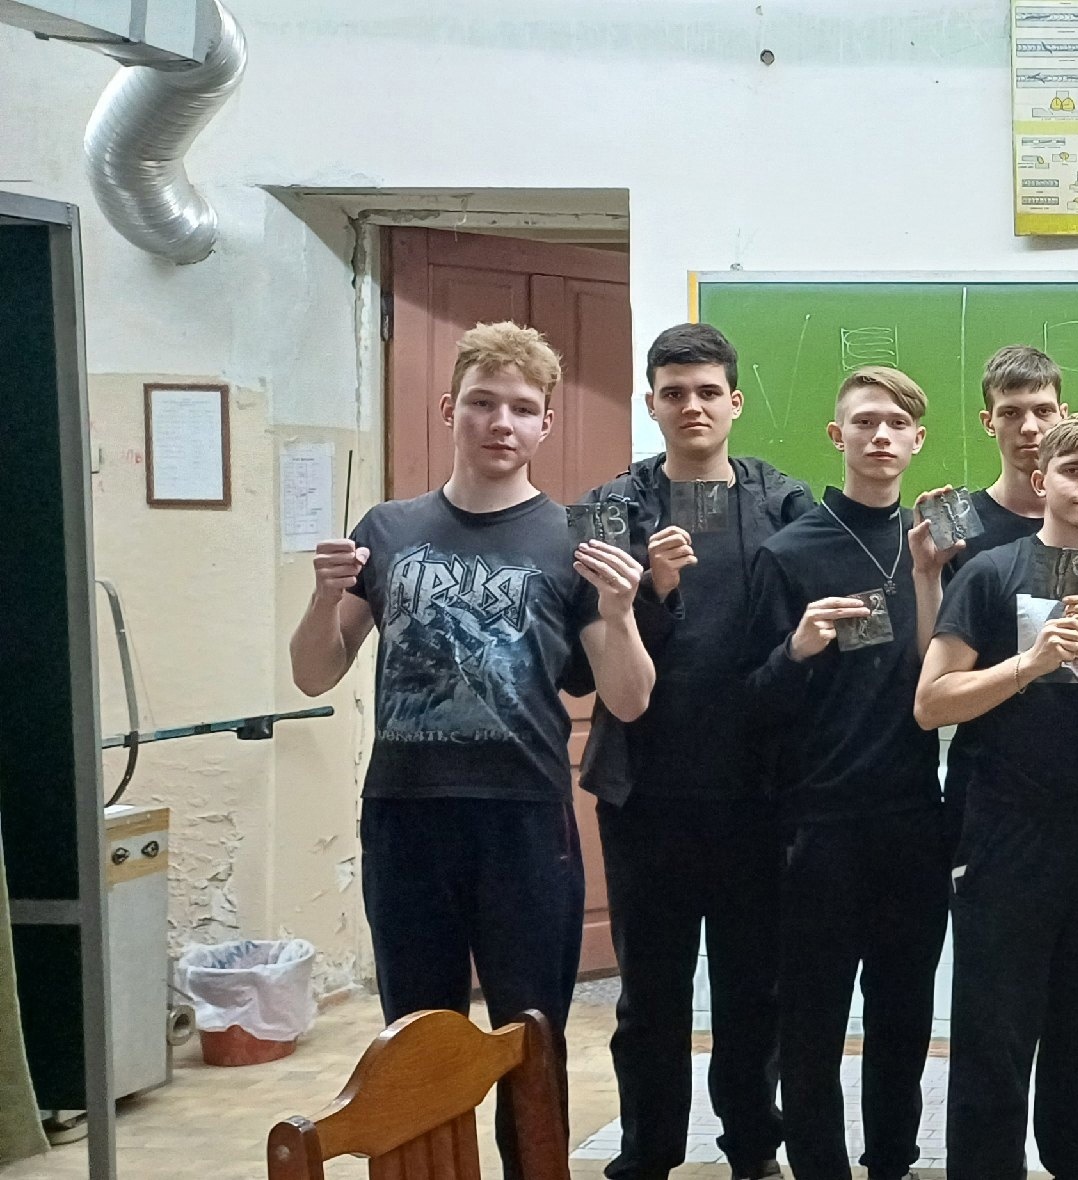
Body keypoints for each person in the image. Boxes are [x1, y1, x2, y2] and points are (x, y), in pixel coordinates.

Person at [288, 321, 654, 1180]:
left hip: (524, 822)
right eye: (484, 403)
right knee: (414, 1040)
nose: (501, 422)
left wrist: (620, 611)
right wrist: (321, 597)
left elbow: (629, 698)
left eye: (522, 408)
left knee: (532, 1036)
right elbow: (313, 674)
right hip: (406, 817)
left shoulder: (572, 539)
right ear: (450, 408)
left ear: (545, 425)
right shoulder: (389, 528)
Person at [575, 322, 810, 1180]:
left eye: (708, 391)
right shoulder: (612, 509)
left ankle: (752, 1149)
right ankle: (647, 1154)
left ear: (735, 401)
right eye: (674, 393)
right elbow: (587, 657)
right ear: (651, 403)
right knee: (650, 998)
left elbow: (815, 624)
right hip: (647, 797)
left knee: (755, 993)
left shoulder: (785, 503)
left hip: (757, 795)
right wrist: (655, 588)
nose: (692, 406)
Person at [930, 345, 1078, 1179]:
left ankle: (1075, 1161)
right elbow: (932, 701)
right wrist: (1027, 666)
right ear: (1043, 481)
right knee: (993, 1036)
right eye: (1073, 471)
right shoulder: (990, 572)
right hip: (1001, 830)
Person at [740, 366, 955, 1180]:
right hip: (817, 827)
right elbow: (751, 703)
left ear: (918, 440)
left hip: (913, 820)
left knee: (903, 1019)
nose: (880, 435)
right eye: (864, 421)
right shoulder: (789, 552)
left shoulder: (938, 545)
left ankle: (891, 1163)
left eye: (896, 423)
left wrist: (932, 576)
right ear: (838, 436)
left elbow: (942, 676)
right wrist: (796, 649)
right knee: (812, 1025)